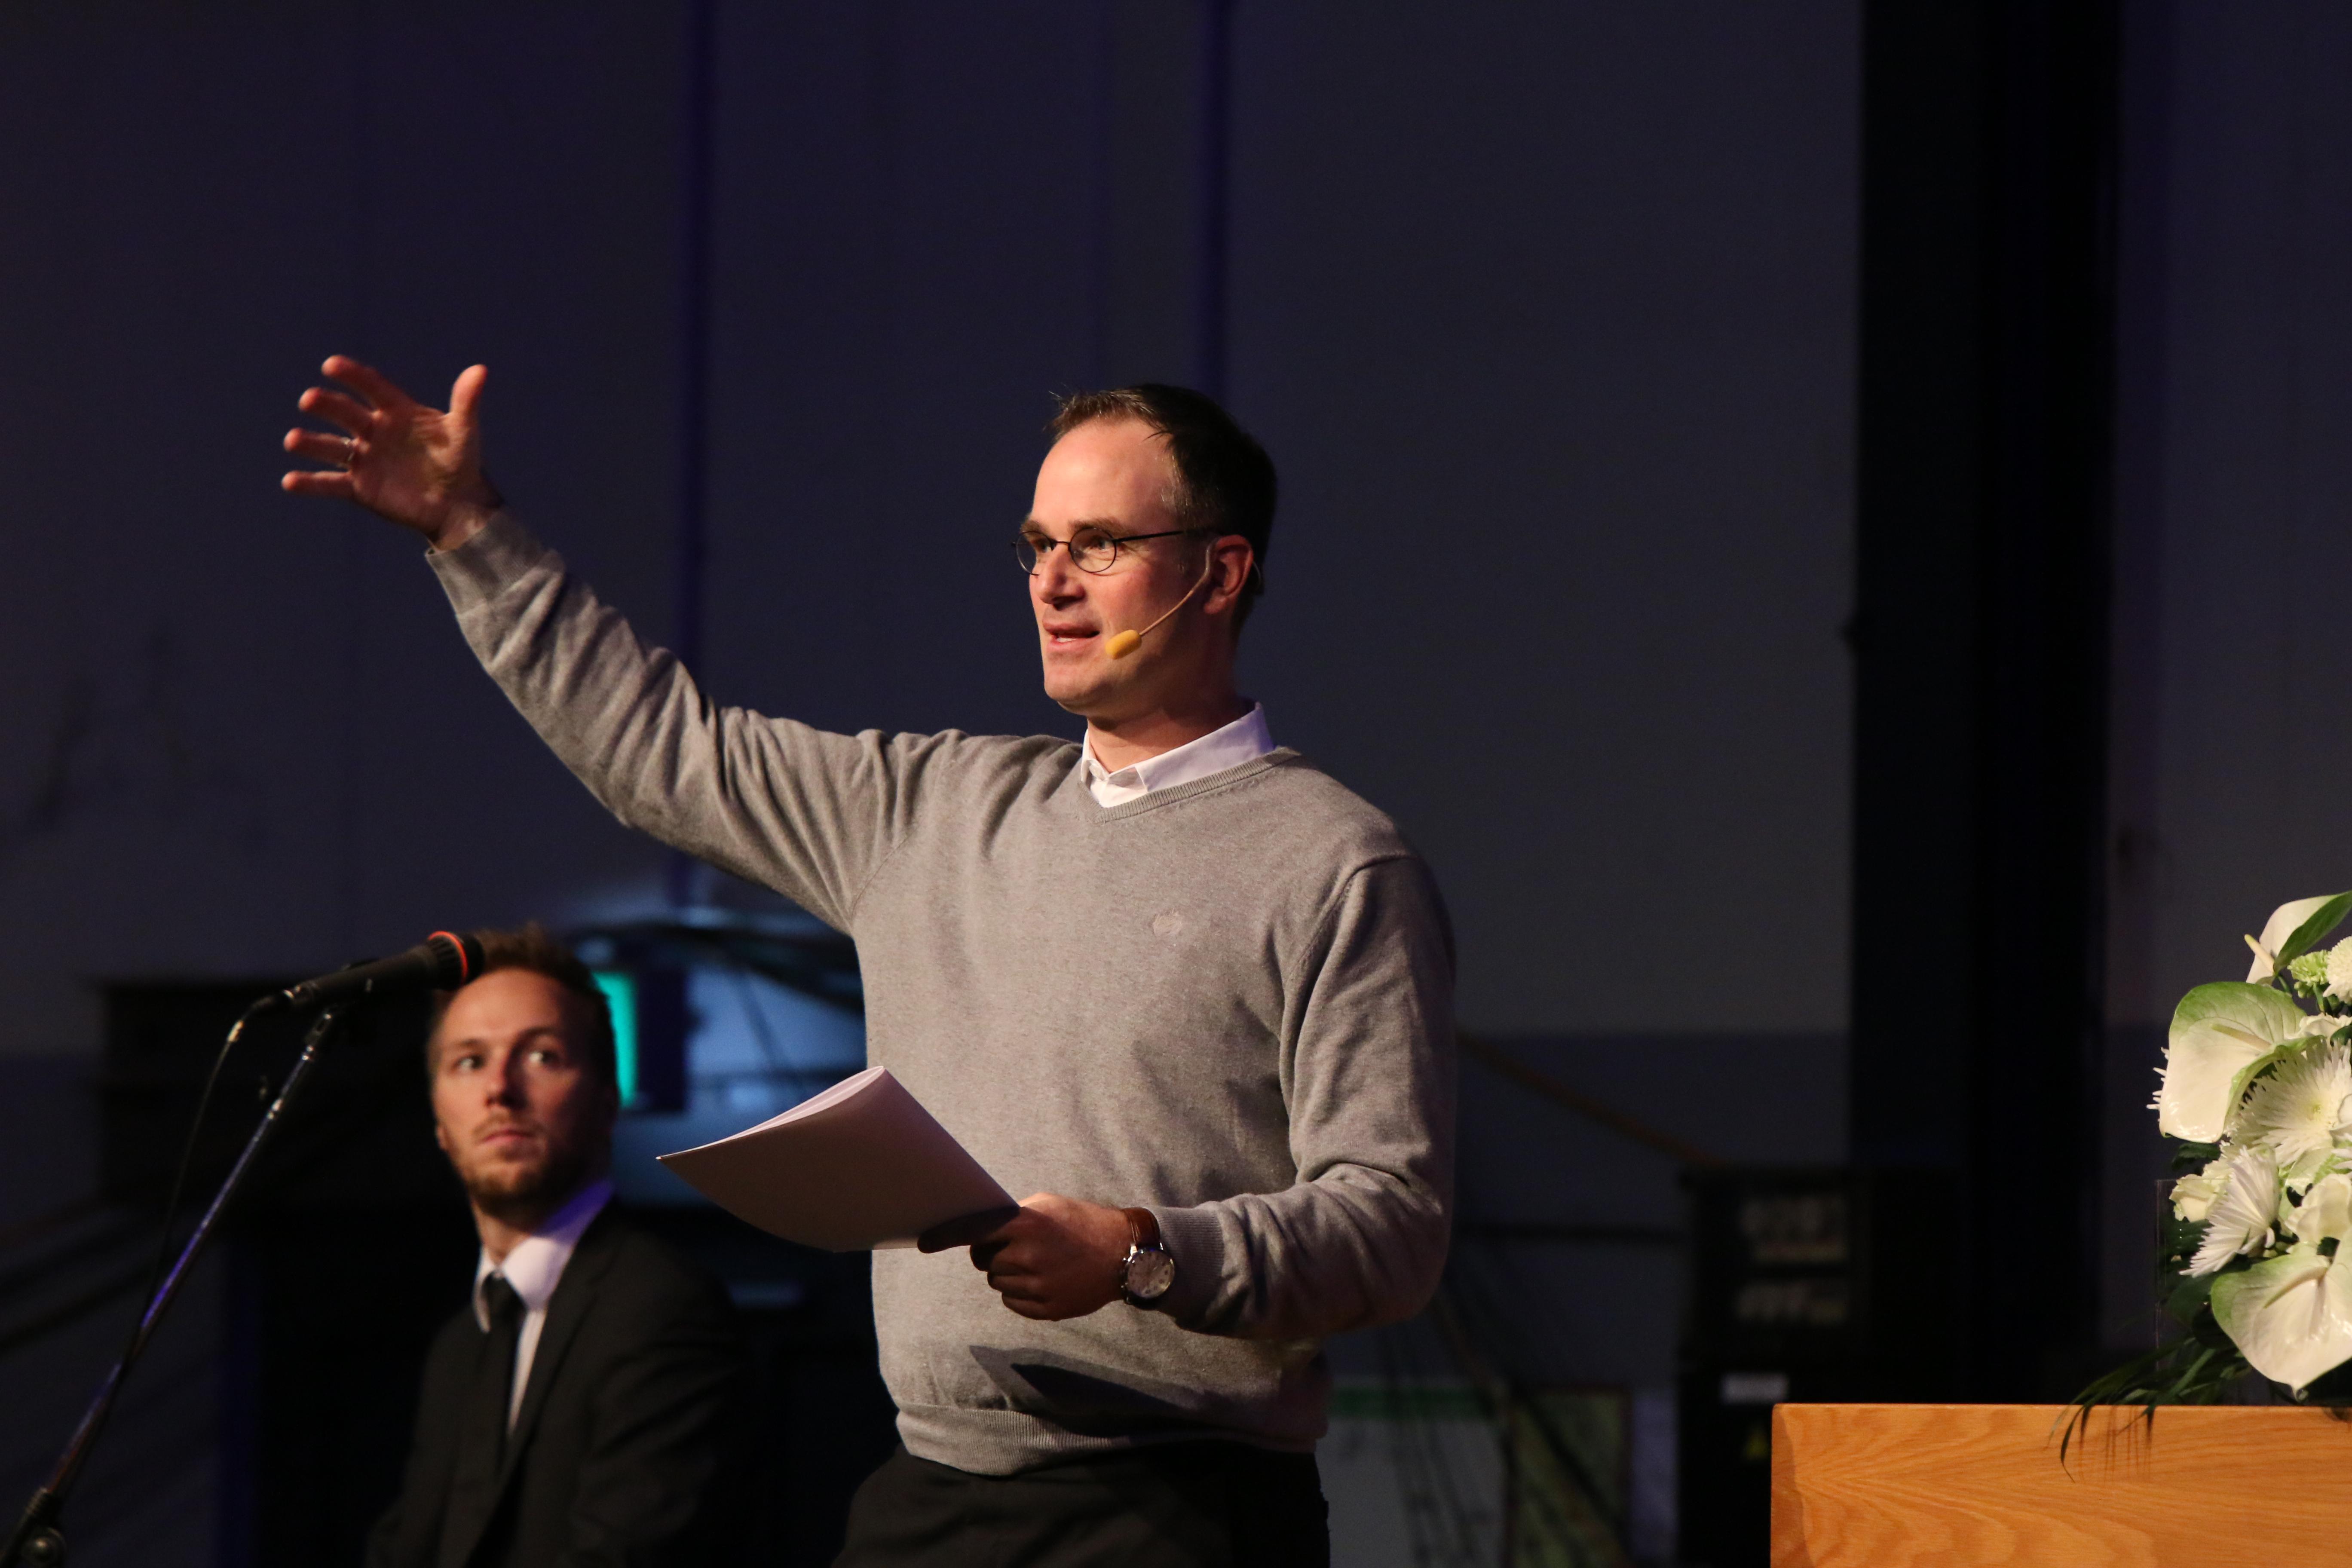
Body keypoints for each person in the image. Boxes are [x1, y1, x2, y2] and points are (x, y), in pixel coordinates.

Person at [286, 358, 1455, 1567]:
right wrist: (471, 534)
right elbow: (660, 750)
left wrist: (1142, 1252)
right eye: (1037, 546)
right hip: (932, 1495)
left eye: (1100, 545)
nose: (1053, 582)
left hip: (1182, 1511)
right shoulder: (932, 811)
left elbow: (1393, 1225)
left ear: (1220, 572)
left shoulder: (1332, 863)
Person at [365, 925, 747, 1568]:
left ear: (607, 1100)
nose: (500, 1089)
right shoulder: (459, 1346)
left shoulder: (662, 1308)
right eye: (469, 1061)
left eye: (542, 1056)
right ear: (439, 1123)